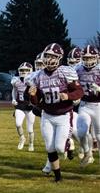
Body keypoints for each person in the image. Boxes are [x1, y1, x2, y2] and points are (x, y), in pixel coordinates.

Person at [28, 43, 84, 182]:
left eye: (52, 56)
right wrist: (33, 95)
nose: (49, 59)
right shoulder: (38, 76)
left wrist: (68, 96)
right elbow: (35, 102)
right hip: (47, 115)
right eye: (47, 56)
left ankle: (69, 143)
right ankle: (58, 177)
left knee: (59, 147)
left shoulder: (65, 71)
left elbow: (79, 91)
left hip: (64, 114)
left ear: (59, 58)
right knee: (50, 147)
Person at [75, 45, 100, 167]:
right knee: (81, 132)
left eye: (91, 58)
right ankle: (87, 153)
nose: (88, 61)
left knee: (99, 136)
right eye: (86, 58)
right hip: (84, 104)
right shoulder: (77, 69)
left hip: (98, 105)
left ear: (96, 58)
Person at [11, 62, 35, 151]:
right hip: (20, 105)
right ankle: (22, 138)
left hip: (30, 106)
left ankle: (31, 144)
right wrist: (13, 99)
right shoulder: (16, 80)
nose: (24, 72)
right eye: (22, 70)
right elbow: (14, 91)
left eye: (26, 70)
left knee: (30, 129)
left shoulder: (34, 80)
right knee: (18, 124)